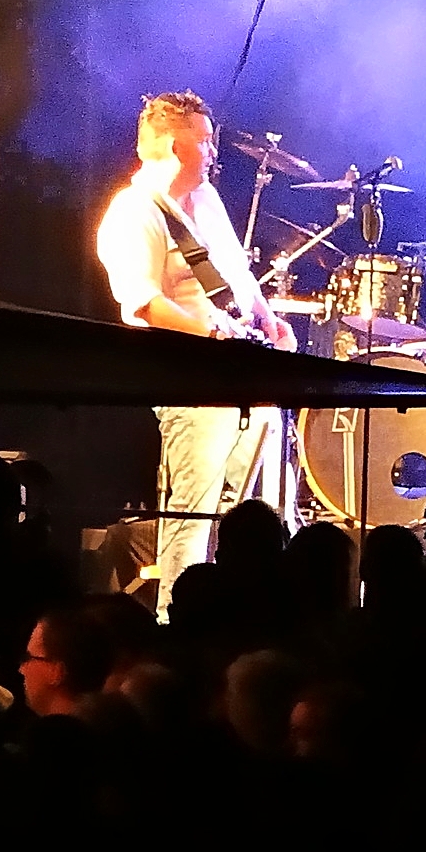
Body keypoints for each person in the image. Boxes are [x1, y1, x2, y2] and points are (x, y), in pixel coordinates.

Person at [95, 90, 295, 621]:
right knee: (193, 515)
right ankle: (175, 629)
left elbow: (238, 274)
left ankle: (248, 618)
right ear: (173, 145)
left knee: (255, 509)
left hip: (243, 377)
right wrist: (211, 337)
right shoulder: (133, 213)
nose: (213, 154)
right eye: (204, 142)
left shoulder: (205, 199)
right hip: (191, 384)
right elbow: (142, 303)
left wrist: (266, 318)